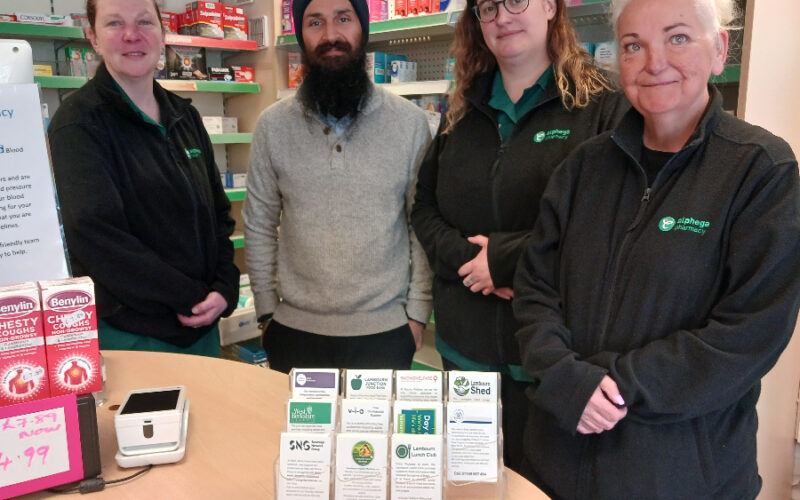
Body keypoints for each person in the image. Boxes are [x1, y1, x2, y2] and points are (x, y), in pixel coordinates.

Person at [513, 0, 800, 497]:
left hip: (682, 477)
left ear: (720, 49)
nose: (654, 62)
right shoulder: (583, 167)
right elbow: (535, 287)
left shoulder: (761, 171)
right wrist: (564, 379)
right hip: (557, 461)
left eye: (678, 37)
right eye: (633, 45)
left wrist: (615, 387)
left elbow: (749, 333)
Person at [410, 0, 628, 470]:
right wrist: (470, 261)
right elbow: (424, 206)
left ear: (550, 6)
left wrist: (506, 261)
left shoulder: (601, 105)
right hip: (465, 355)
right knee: (473, 489)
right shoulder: (463, 107)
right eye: (488, 7)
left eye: (516, 1)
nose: (502, 17)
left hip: (553, 364)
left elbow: (611, 223)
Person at [243, 0, 433, 373]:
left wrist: (418, 313)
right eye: (315, 22)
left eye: (343, 19)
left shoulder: (410, 124)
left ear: (363, 29)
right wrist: (266, 311)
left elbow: (421, 224)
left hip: (386, 333)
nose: (331, 35)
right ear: (301, 35)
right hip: (294, 332)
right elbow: (259, 223)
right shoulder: (272, 126)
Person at [48, 0, 240, 357]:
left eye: (144, 22)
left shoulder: (184, 116)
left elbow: (217, 213)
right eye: (114, 23)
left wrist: (225, 287)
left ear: (162, 33)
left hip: (202, 324)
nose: (131, 35)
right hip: (134, 335)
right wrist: (190, 296)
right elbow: (96, 235)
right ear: (93, 38)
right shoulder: (79, 122)